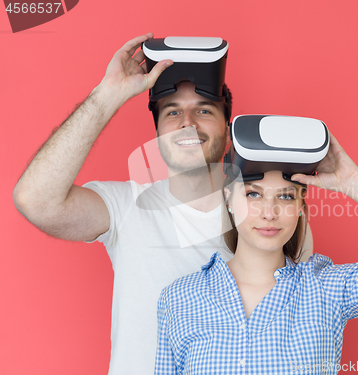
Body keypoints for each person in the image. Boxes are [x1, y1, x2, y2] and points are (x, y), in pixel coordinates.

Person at [11, 33, 314, 375]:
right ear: (157, 131)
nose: (187, 123)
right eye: (173, 113)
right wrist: (109, 93)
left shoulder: (269, 218)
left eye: (203, 110)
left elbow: (297, 331)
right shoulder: (125, 205)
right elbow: (35, 200)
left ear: (227, 130)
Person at [154, 132, 358, 374]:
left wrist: (353, 182)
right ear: (229, 199)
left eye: (285, 197)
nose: (270, 212)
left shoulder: (327, 290)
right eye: (253, 194)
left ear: (301, 206)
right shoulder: (179, 298)